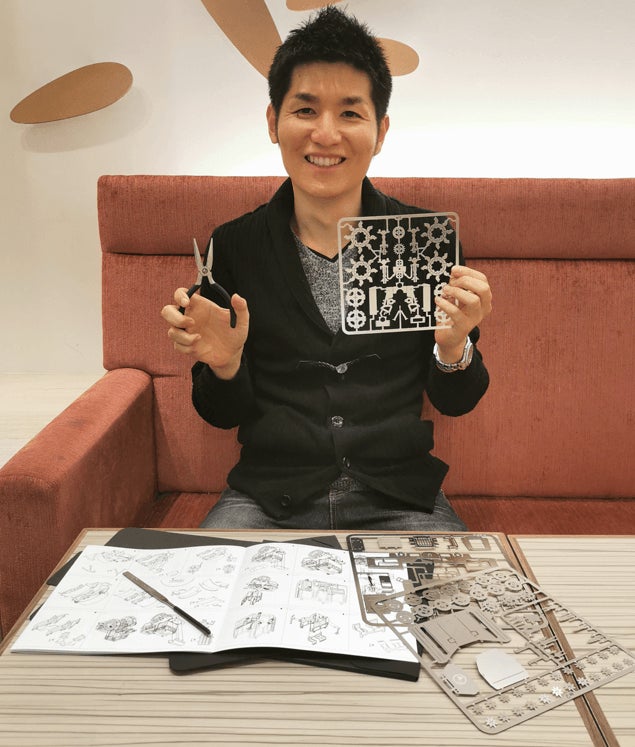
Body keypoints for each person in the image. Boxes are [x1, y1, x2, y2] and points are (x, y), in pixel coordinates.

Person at [161, 6, 492, 531]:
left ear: (380, 132)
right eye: (305, 110)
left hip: (399, 495)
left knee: (462, 589)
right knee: (204, 583)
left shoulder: (424, 240)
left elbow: (457, 401)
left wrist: (453, 349)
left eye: (351, 114)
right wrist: (224, 365)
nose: (326, 134)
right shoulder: (235, 245)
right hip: (268, 496)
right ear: (273, 121)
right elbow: (220, 413)